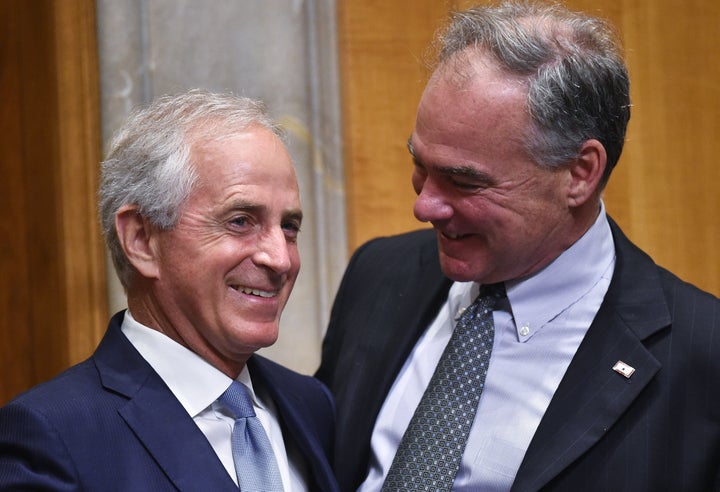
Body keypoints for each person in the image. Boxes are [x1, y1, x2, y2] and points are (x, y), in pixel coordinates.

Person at [316, 2, 720, 491]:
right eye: (421, 165)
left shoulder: (702, 355)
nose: (425, 207)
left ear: (580, 172)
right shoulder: (379, 274)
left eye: (463, 182)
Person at [0, 90, 339, 491]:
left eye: (289, 227)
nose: (280, 259)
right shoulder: (51, 437)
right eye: (240, 221)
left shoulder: (311, 405)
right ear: (142, 239)